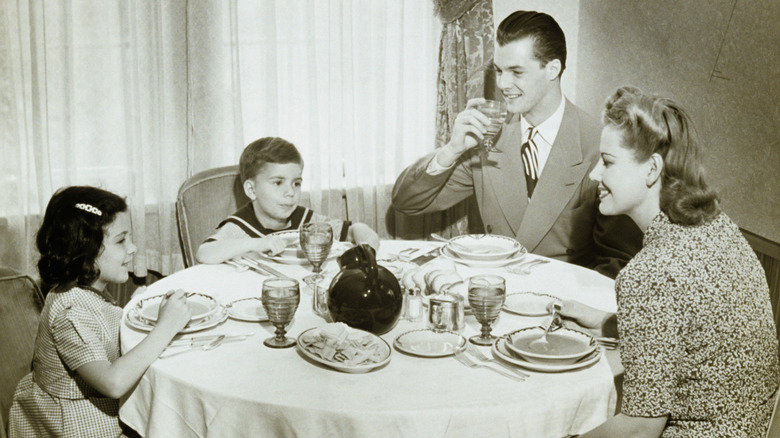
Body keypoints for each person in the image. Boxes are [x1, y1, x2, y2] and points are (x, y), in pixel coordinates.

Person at [555, 86, 779, 437]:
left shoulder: (650, 274)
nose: (595, 175)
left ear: (652, 169)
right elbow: (694, 334)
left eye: (608, 162)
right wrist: (606, 322)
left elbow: (641, 427)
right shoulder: (719, 228)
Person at [392, 10, 642, 279]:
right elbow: (407, 202)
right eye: (499, 71)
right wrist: (452, 149)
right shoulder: (488, 137)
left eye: (516, 72)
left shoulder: (599, 143)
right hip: (491, 294)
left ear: (553, 69)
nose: (502, 84)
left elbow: (620, 261)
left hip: (561, 303)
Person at [9, 186, 192, 437]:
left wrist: (133, 307)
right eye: (121, 240)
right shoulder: (70, 311)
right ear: (84, 250)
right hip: (73, 425)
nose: (133, 248)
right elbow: (113, 383)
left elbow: (101, 328)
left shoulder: (85, 291)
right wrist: (166, 326)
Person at [196, 137, 379, 264]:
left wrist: (365, 244)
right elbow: (204, 253)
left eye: (296, 183)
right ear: (252, 190)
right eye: (278, 183)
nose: (290, 193)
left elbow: (354, 230)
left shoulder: (304, 220)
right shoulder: (240, 225)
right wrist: (258, 243)